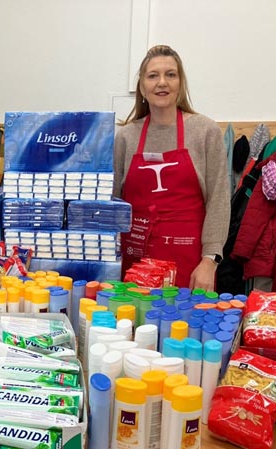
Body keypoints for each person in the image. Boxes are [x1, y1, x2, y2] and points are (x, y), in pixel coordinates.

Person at [113, 45, 230, 291]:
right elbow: (114, 202)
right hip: (135, 260)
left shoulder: (205, 131)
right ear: (142, 87)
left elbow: (218, 200)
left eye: (171, 74)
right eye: (153, 75)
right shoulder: (126, 137)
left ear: (180, 83)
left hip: (189, 262)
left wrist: (210, 260)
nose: (162, 82)